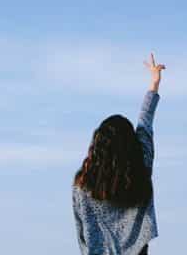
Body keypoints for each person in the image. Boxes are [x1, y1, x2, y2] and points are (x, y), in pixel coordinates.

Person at [71, 52, 166, 255]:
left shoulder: (83, 186)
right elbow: (145, 121)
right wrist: (154, 82)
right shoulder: (142, 166)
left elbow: (82, 236)